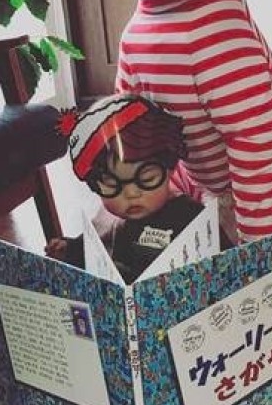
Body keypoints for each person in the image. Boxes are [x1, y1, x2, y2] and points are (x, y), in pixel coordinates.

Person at [47, 94, 229, 283]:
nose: (131, 193)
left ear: (170, 168)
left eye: (147, 178)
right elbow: (95, 248)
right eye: (112, 184)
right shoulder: (106, 217)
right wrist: (69, 249)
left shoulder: (191, 217)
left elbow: (229, 263)